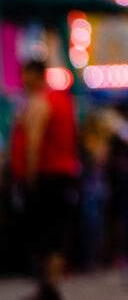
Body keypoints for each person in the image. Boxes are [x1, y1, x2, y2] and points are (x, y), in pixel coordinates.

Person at [9, 60, 80, 300]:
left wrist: (29, 178)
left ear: (35, 76)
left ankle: (48, 288)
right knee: (55, 233)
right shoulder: (64, 101)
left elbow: (34, 142)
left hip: (46, 176)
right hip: (62, 176)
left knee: (45, 234)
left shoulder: (41, 102)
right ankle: (50, 287)